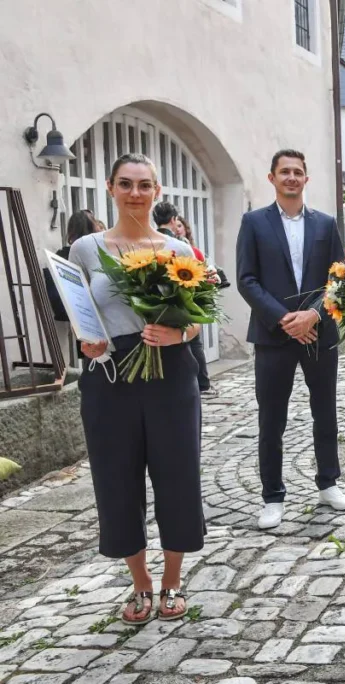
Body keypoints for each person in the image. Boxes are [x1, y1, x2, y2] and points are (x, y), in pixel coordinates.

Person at [69, 153, 205, 623]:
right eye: (125, 184)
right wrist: (86, 342)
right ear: (110, 188)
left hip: (171, 371)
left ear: (157, 191)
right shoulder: (86, 249)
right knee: (116, 478)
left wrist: (177, 333)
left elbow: (198, 318)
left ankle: (172, 580)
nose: (135, 193)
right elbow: (79, 311)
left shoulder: (179, 251)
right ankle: (140, 583)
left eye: (145, 185)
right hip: (109, 376)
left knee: (178, 475)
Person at [236, 149, 345, 529]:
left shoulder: (325, 224)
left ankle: (328, 483)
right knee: (272, 419)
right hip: (273, 335)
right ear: (272, 178)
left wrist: (313, 315)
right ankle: (272, 496)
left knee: (325, 411)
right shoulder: (254, 222)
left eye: (298, 172)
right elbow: (246, 279)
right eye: (284, 171)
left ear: (306, 178)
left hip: (319, 331)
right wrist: (283, 318)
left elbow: (339, 277)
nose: (291, 177)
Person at [152, 202, 213, 394]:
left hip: (156, 307)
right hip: (181, 300)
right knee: (193, 343)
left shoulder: (150, 242)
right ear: (173, 219)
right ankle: (202, 382)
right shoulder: (180, 245)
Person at [45, 209, 103, 323]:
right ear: (92, 228)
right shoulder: (96, 254)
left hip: (77, 316)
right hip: (94, 315)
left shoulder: (60, 256)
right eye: (95, 222)